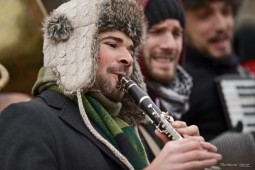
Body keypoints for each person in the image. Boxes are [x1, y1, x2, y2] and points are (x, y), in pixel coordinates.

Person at [0, 0, 222, 170]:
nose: (128, 58)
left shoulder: (128, 130)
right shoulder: (27, 118)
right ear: (75, 51)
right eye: (113, 44)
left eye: (130, 47)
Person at [180, 0, 255, 168]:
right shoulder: (179, 84)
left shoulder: (239, 71)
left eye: (226, 12)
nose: (221, 25)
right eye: (204, 16)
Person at [136, 0, 194, 162]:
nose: (170, 45)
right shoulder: (118, 106)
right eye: (157, 31)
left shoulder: (185, 96)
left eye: (176, 33)